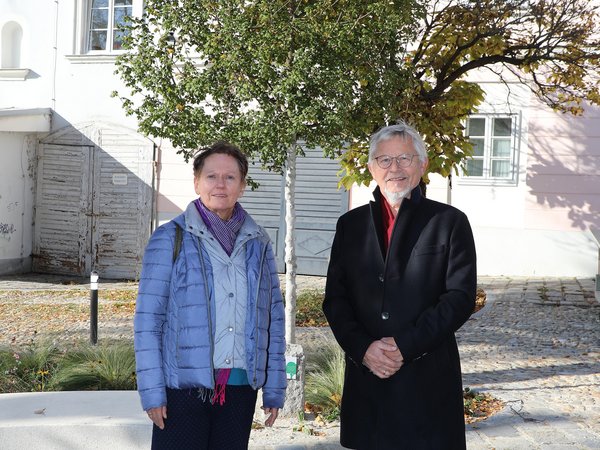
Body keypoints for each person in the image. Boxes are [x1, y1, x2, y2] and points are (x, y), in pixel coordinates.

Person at [323, 122, 477, 449]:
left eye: (405, 158)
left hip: (427, 383)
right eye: (385, 160)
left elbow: (459, 298)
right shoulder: (349, 226)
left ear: (422, 165)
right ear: (370, 169)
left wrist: (404, 346)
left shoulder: (449, 222)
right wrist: (363, 349)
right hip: (368, 384)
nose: (395, 168)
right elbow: (335, 299)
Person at [134, 141, 286, 449]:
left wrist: (274, 386)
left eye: (230, 177)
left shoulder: (258, 241)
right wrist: (152, 392)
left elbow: (273, 317)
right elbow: (148, 321)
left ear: (242, 186)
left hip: (240, 389)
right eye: (211, 176)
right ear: (196, 182)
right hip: (182, 390)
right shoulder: (169, 238)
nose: (220, 184)